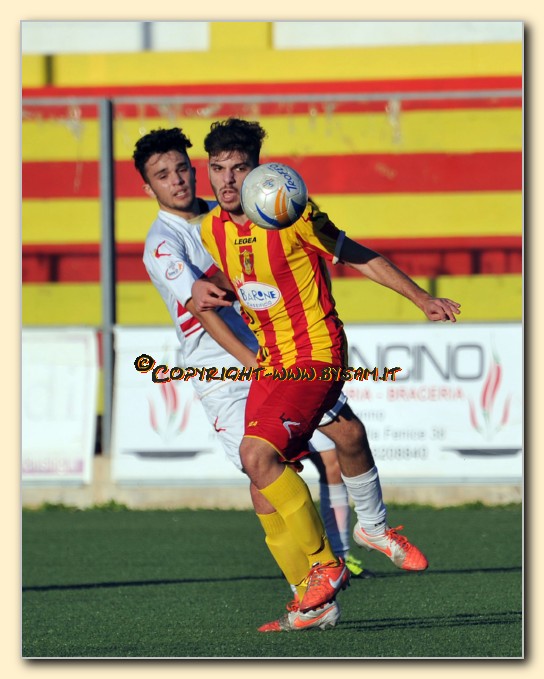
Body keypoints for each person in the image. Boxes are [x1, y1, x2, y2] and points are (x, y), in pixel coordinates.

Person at [193, 117, 461, 630]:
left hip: (314, 355)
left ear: (258, 172)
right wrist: (205, 287)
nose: (227, 179)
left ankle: (326, 564)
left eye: (239, 168)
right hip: (272, 361)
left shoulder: (294, 216)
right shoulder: (212, 228)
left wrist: (421, 297)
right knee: (275, 472)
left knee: (257, 455)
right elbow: (236, 272)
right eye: (218, 168)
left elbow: (358, 255)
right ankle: (317, 599)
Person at [133, 127, 366, 634]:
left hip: (284, 352)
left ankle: (353, 545)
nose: (176, 180)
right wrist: (251, 359)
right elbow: (203, 303)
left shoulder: (239, 210)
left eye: (181, 169)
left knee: (342, 436)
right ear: (148, 188)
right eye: (162, 176)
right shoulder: (162, 244)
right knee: (263, 474)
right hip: (225, 371)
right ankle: (312, 590)